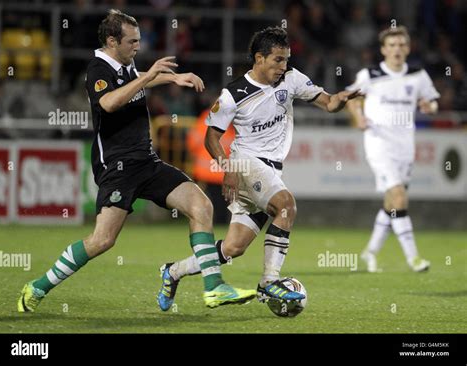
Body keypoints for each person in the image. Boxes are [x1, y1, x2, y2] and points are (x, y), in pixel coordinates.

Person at [17, 9, 256, 313]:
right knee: (102, 240)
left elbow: (138, 81)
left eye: (139, 40)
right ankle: (37, 287)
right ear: (112, 40)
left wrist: (171, 77)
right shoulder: (97, 68)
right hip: (117, 166)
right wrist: (149, 76)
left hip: (146, 161)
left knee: (201, 205)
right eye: (132, 41)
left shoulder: (125, 66)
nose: (137, 47)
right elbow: (109, 102)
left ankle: (214, 287)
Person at [156, 26, 361, 311]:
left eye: (286, 59)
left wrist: (340, 100)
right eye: (278, 59)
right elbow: (211, 136)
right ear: (259, 58)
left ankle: (173, 271)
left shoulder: (291, 79)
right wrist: (227, 168)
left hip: (270, 170)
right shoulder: (233, 94)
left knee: (232, 249)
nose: (283, 66)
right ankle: (269, 283)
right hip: (246, 163)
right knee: (286, 206)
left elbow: (328, 103)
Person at [345, 26, 439, 273]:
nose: (397, 49)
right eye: (392, 45)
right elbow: (351, 97)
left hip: (405, 146)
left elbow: (433, 101)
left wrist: (431, 107)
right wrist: (358, 117)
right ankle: (414, 258)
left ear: (407, 48)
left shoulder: (418, 75)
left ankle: (370, 252)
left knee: (392, 203)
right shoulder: (370, 75)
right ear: (384, 49)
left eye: (401, 45)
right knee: (399, 196)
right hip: (379, 144)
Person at [186, 108, 236, 224]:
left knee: (204, 206)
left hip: (204, 173)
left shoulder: (204, 119)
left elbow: (192, 143)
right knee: (221, 209)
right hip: (220, 174)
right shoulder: (229, 125)